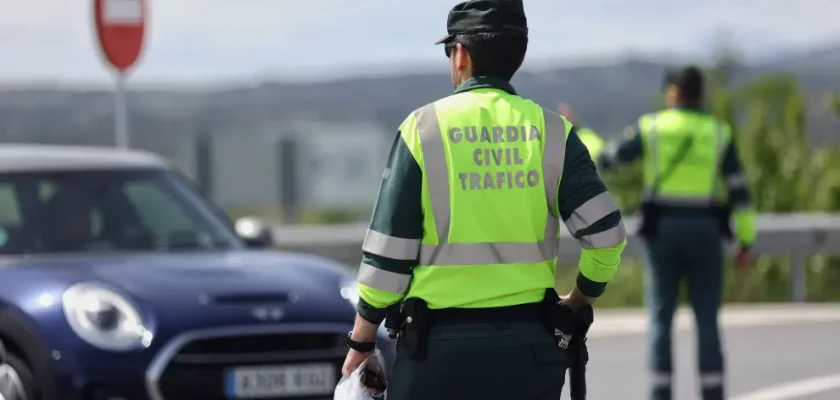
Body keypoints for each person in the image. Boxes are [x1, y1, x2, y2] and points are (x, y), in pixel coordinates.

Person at [340, 1, 627, 399]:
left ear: (460, 53)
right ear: (519, 55)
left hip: (436, 358)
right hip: (530, 354)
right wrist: (579, 299)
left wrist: (361, 340)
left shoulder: (422, 130)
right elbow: (607, 236)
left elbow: (388, 261)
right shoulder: (554, 132)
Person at [596, 66, 757, 400]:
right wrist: (745, 240)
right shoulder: (718, 132)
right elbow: (740, 193)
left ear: (673, 93)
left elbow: (610, 158)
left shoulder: (652, 127)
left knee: (660, 317)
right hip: (706, 231)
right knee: (708, 319)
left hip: (663, 232)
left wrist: (586, 138)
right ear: (701, 94)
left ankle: (660, 394)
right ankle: (713, 393)